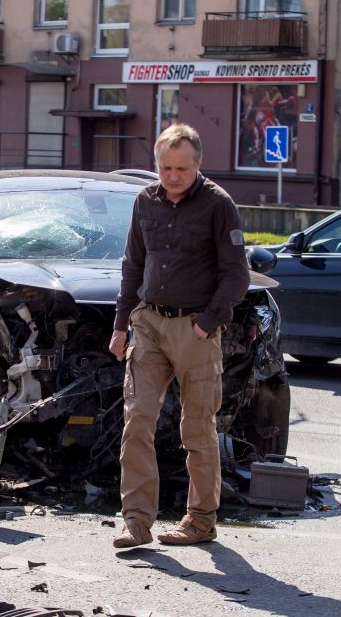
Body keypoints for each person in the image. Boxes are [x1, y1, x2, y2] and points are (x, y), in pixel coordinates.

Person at [108, 123, 250, 547]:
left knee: (197, 430)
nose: (172, 177)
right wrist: (120, 326)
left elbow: (236, 277)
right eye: (165, 168)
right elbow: (132, 265)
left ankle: (200, 521)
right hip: (148, 322)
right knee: (137, 422)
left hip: (195, 330)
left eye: (181, 169)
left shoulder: (218, 205)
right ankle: (136, 521)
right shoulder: (144, 201)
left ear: (199, 164)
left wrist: (206, 323)